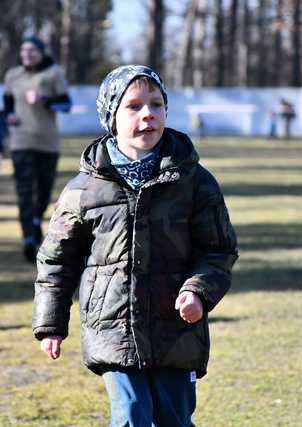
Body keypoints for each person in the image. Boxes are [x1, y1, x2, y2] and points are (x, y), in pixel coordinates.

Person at [32, 65, 238, 426]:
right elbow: (56, 262)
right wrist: (51, 322)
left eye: (156, 104)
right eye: (134, 106)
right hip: (112, 327)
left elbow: (218, 250)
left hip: (176, 330)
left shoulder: (195, 181)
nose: (148, 114)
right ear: (111, 117)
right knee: (130, 416)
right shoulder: (83, 190)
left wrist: (198, 291)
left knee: (173, 418)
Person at [3, 36, 72, 262]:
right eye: (24, 51)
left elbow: (66, 105)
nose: (27, 55)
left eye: (32, 51)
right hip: (21, 142)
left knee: (42, 192)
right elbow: (7, 105)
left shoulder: (53, 73)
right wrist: (9, 116)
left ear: (41, 52)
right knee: (24, 191)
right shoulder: (13, 76)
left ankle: (34, 222)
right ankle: (28, 238)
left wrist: (45, 99)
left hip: (47, 143)